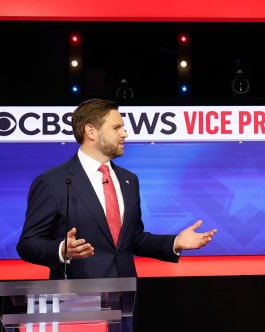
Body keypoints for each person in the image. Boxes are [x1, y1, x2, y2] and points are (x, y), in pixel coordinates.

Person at [17, 98, 216, 279]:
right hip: (76, 300)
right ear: (91, 131)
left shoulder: (128, 180)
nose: (125, 134)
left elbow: (133, 239)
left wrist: (175, 242)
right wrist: (62, 250)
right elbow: (27, 244)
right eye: (116, 127)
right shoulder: (53, 182)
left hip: (124, 296)